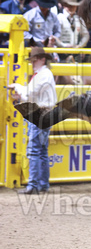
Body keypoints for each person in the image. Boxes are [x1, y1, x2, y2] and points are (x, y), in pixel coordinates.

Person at [7, 47, 56, 194]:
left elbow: (29, 93)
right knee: (41, 151)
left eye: (35, 60)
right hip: (44, 113)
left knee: (35, 150)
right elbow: (32, 94)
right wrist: (22, 93)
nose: (33, 63)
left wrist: (17, 87)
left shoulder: (43, 75)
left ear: (42, 59)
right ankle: (42, 184)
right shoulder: (44, 74)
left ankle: (33, 185)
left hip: (39, 114)